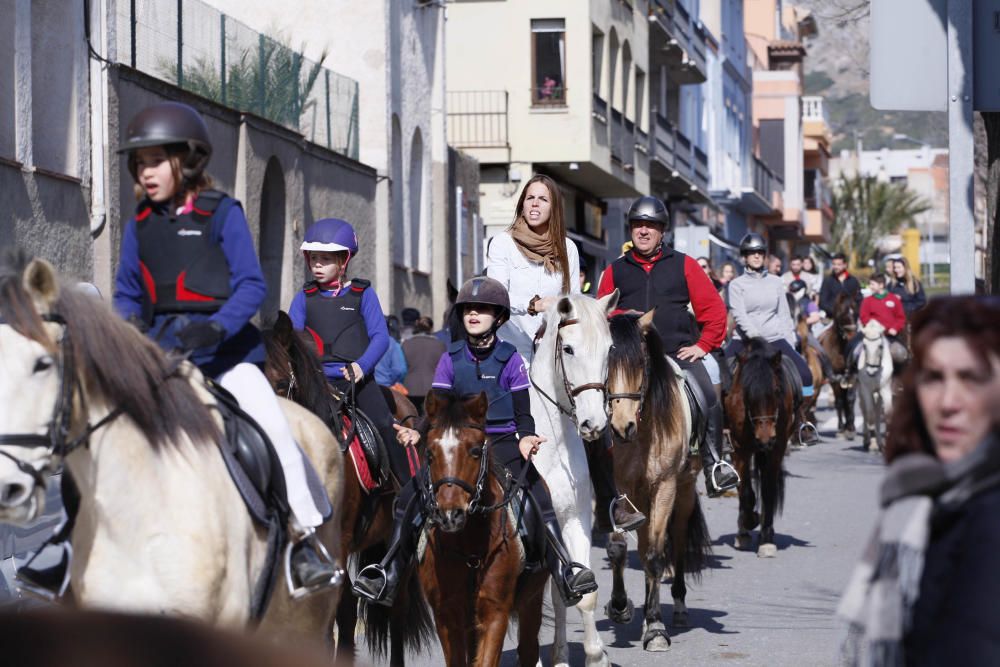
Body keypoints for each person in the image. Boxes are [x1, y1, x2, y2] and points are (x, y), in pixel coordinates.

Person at [97, 102, 338, 594]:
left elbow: (252, 286)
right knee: (98, 430)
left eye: (155, 161)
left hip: (227, 358)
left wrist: (216, 328)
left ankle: (304, 543)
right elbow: (125, 294)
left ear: (186, 161)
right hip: (161, 359)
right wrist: (131, 339)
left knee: (273, 427)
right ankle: (71, 543)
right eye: (139, 163)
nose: (145, 173)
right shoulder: (138, 226)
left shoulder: (222, 214)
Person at [352, 277, 598, 607]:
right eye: (468, 308)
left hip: (502, 441)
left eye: (482, 309)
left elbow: (524, 413)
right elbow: (436, 404)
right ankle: (390, 573)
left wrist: (525, 438)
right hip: (459, 442)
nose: (473, 314)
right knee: (408, 495)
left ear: (498, 317)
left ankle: (565, 569)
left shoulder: (512, 359)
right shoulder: (449, 358)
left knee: (539, 495)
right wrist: (419, 431)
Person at [837, 297, 1000, 666]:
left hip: (887, 334)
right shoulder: (915, 497)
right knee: (851, 352)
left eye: (970, 377)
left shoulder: (988, 516)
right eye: (933, 378)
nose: (948, 401)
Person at [597, 196, 739, 499]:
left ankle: (715, 463)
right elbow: (600, 316)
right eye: (638, 225)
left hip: (677, 353)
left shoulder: (685, 265)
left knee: (707, 391)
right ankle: (602, 476)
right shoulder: (615, 271)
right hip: (630, 359)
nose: (643, 231)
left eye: (651, 226)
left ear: (663, 231)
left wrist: (702, 346)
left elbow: (714, 312)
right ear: (630, 230)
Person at [288, 218, 414, 491]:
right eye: (313, 259)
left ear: (343, 261)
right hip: (316, 383)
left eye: (325, 259)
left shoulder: (362, 294)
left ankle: (412, 495)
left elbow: (380, 336)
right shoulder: (303, 297)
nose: (317, 265)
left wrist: (361, 366)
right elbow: (292, 339)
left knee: (382, 424)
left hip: (358, 381)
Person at [485, 174, 580, 364]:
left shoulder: (567, 247)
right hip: (510, 352)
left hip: (552, 354)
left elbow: (574, 300)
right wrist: (534, 305)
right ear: (522, 204)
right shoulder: (502, 243)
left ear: (554, 208)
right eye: (530, 198)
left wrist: (551, 321)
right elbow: (496, 296)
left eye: (543, 199)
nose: (535, 203)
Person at [726, 234, 815, 398]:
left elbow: (784, 315)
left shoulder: (776, 282)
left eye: (760, 252)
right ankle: (721, 422)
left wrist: (790, 343)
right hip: (745, 340)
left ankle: (802, 418)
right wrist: (757, 338)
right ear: (745, 257)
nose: (757, 255)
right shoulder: (736, 285)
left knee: (805, 374)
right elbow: (740, 315)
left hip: (775, 338)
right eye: (752, 253)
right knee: (720, 374)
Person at [852, 273, 908, 367]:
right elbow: (864, 317)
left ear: (881, 285)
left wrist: (895, 328)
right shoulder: (867, 301)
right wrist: (874, 329)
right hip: (871, 337)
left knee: (900, 354)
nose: (870, 287)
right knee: (855, 352)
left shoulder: (893, 299)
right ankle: (850, 374)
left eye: (873, 284)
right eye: (870, 284)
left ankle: (899, 377)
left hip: (890, 337)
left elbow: (900, 317)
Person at [402, 316, 446, 413]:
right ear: (431, 328)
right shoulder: (440, 345)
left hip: (410, 387)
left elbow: (401, 367)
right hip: (432, 387)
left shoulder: (406, 344)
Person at [819, 252, 863, 317]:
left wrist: (854, 311)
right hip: (832, 317)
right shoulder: (828, 281)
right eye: (834, 264)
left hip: (850, 318)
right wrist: (835, 311)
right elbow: (823, 302)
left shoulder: (853, 281)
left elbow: (859, 299)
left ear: (845, 265)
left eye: (839, 264)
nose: (836, 267)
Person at [374, 315, 408, 390]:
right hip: (386, 387)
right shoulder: (392, 344)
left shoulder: (364, 341)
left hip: (366, 388)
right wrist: (391, 381)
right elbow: (400, 370)